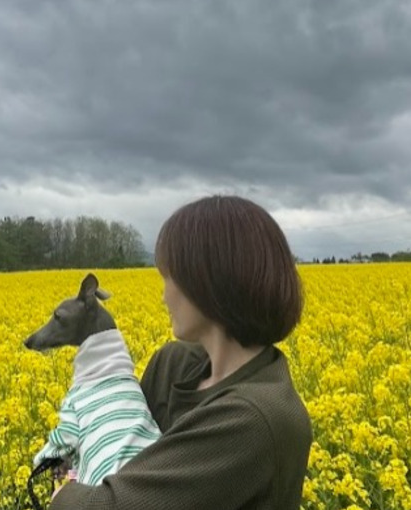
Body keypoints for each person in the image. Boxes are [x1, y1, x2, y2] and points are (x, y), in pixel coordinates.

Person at [48, 195, 313, 510]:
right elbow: (120, 446)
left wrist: (63, 492)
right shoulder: (174, 364)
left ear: (206, 282)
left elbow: (111, 502)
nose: (163, 297)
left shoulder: (254, 419)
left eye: (168, 278)